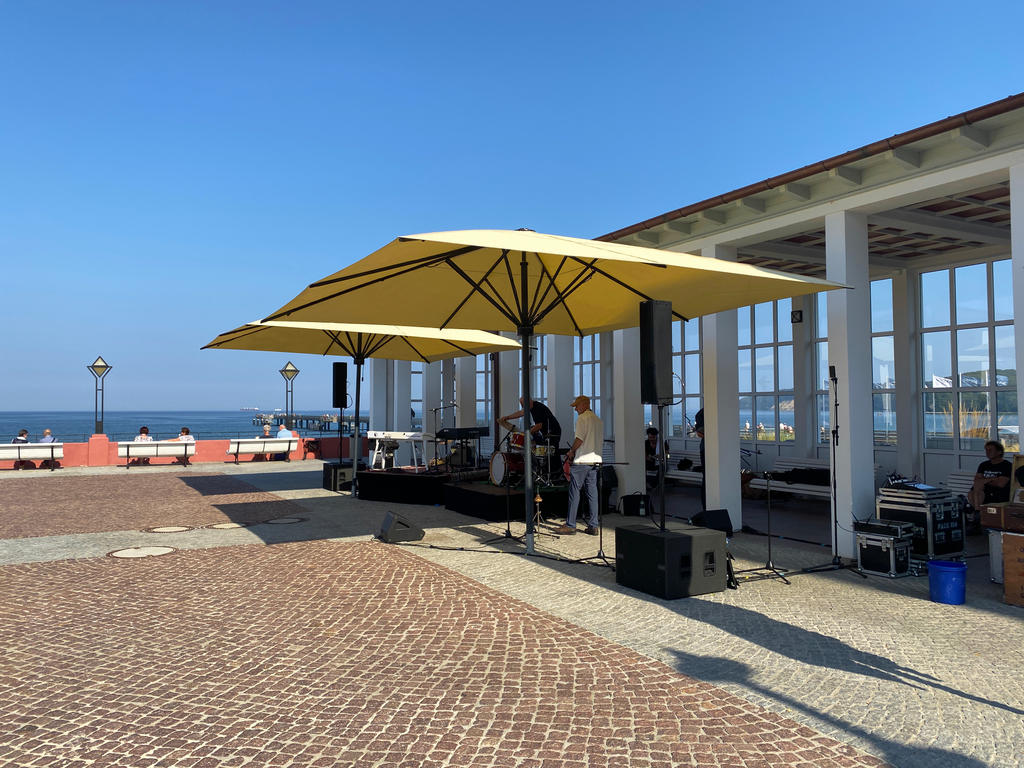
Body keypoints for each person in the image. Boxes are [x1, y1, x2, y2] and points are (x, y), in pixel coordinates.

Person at [555, 395, 603, 536]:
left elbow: (579, 439)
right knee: (592, 493)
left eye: (576, 406)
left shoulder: (582, 418)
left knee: (574, 492)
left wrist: (571, 451)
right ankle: (594, 525)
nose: (575, 409)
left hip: (582, 460)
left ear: (584, 405)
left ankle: (570, 525)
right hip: (595, 461)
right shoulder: (598, 420)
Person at [968, 440, 1011, 523]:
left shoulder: (1007, 465)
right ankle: (979, 515)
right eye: (986, 450)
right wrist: (992, 479)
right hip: (982, 492)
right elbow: (976, 480)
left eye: (990, 450)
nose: (987, 452)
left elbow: (1001, 484)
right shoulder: (983, 465)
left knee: (976, 491)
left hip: (998, 493)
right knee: (972, 493)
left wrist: (984, 480)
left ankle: (977, 515)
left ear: (999, 452)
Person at [693, 408, 706, 511]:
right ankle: (706, 505)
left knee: (707, 478)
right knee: (707, 478)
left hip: (706, 448)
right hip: (706, 449)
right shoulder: (702, 414)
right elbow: (699, 433)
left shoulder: (702, 413)